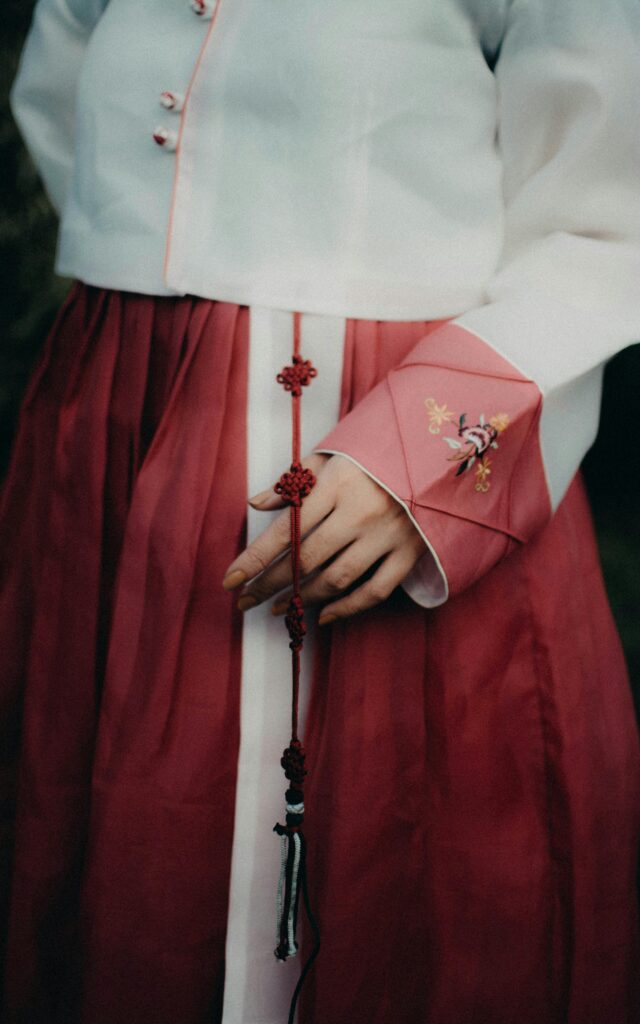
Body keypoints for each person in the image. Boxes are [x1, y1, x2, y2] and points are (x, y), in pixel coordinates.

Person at [2, 1, 639, 1021]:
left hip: (404, 467)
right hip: (121, 432)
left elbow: (606, 218)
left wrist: (421, 457)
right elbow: (70, 106)